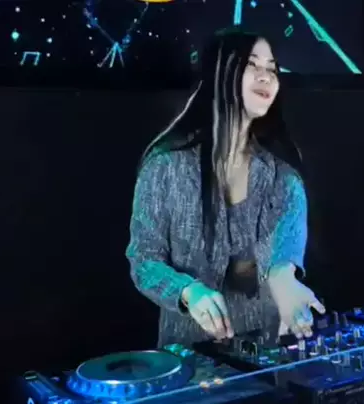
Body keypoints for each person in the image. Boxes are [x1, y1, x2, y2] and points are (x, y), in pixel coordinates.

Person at [126, 28, 325, 348]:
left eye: (273, 69)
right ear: (220, 73)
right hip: (188, 355)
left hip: (266, 352)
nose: (267, 77)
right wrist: (188, 292)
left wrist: (284, 281)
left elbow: (286, 252)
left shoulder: (284, 178)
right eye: (252, 65)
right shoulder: (164, 167)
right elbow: (144, 260)